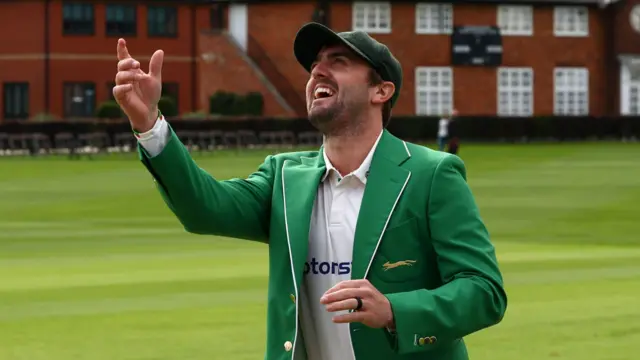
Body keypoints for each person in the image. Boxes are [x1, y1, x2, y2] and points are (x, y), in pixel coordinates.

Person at [112, 22, 507, 360]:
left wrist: (394, 310)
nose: (318, 71)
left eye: (338, 62)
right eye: (314, 65)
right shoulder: (285, 176)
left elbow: (484, 291)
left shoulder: (431, 174)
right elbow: (204, 209)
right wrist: (150, 125)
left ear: (381, 91)